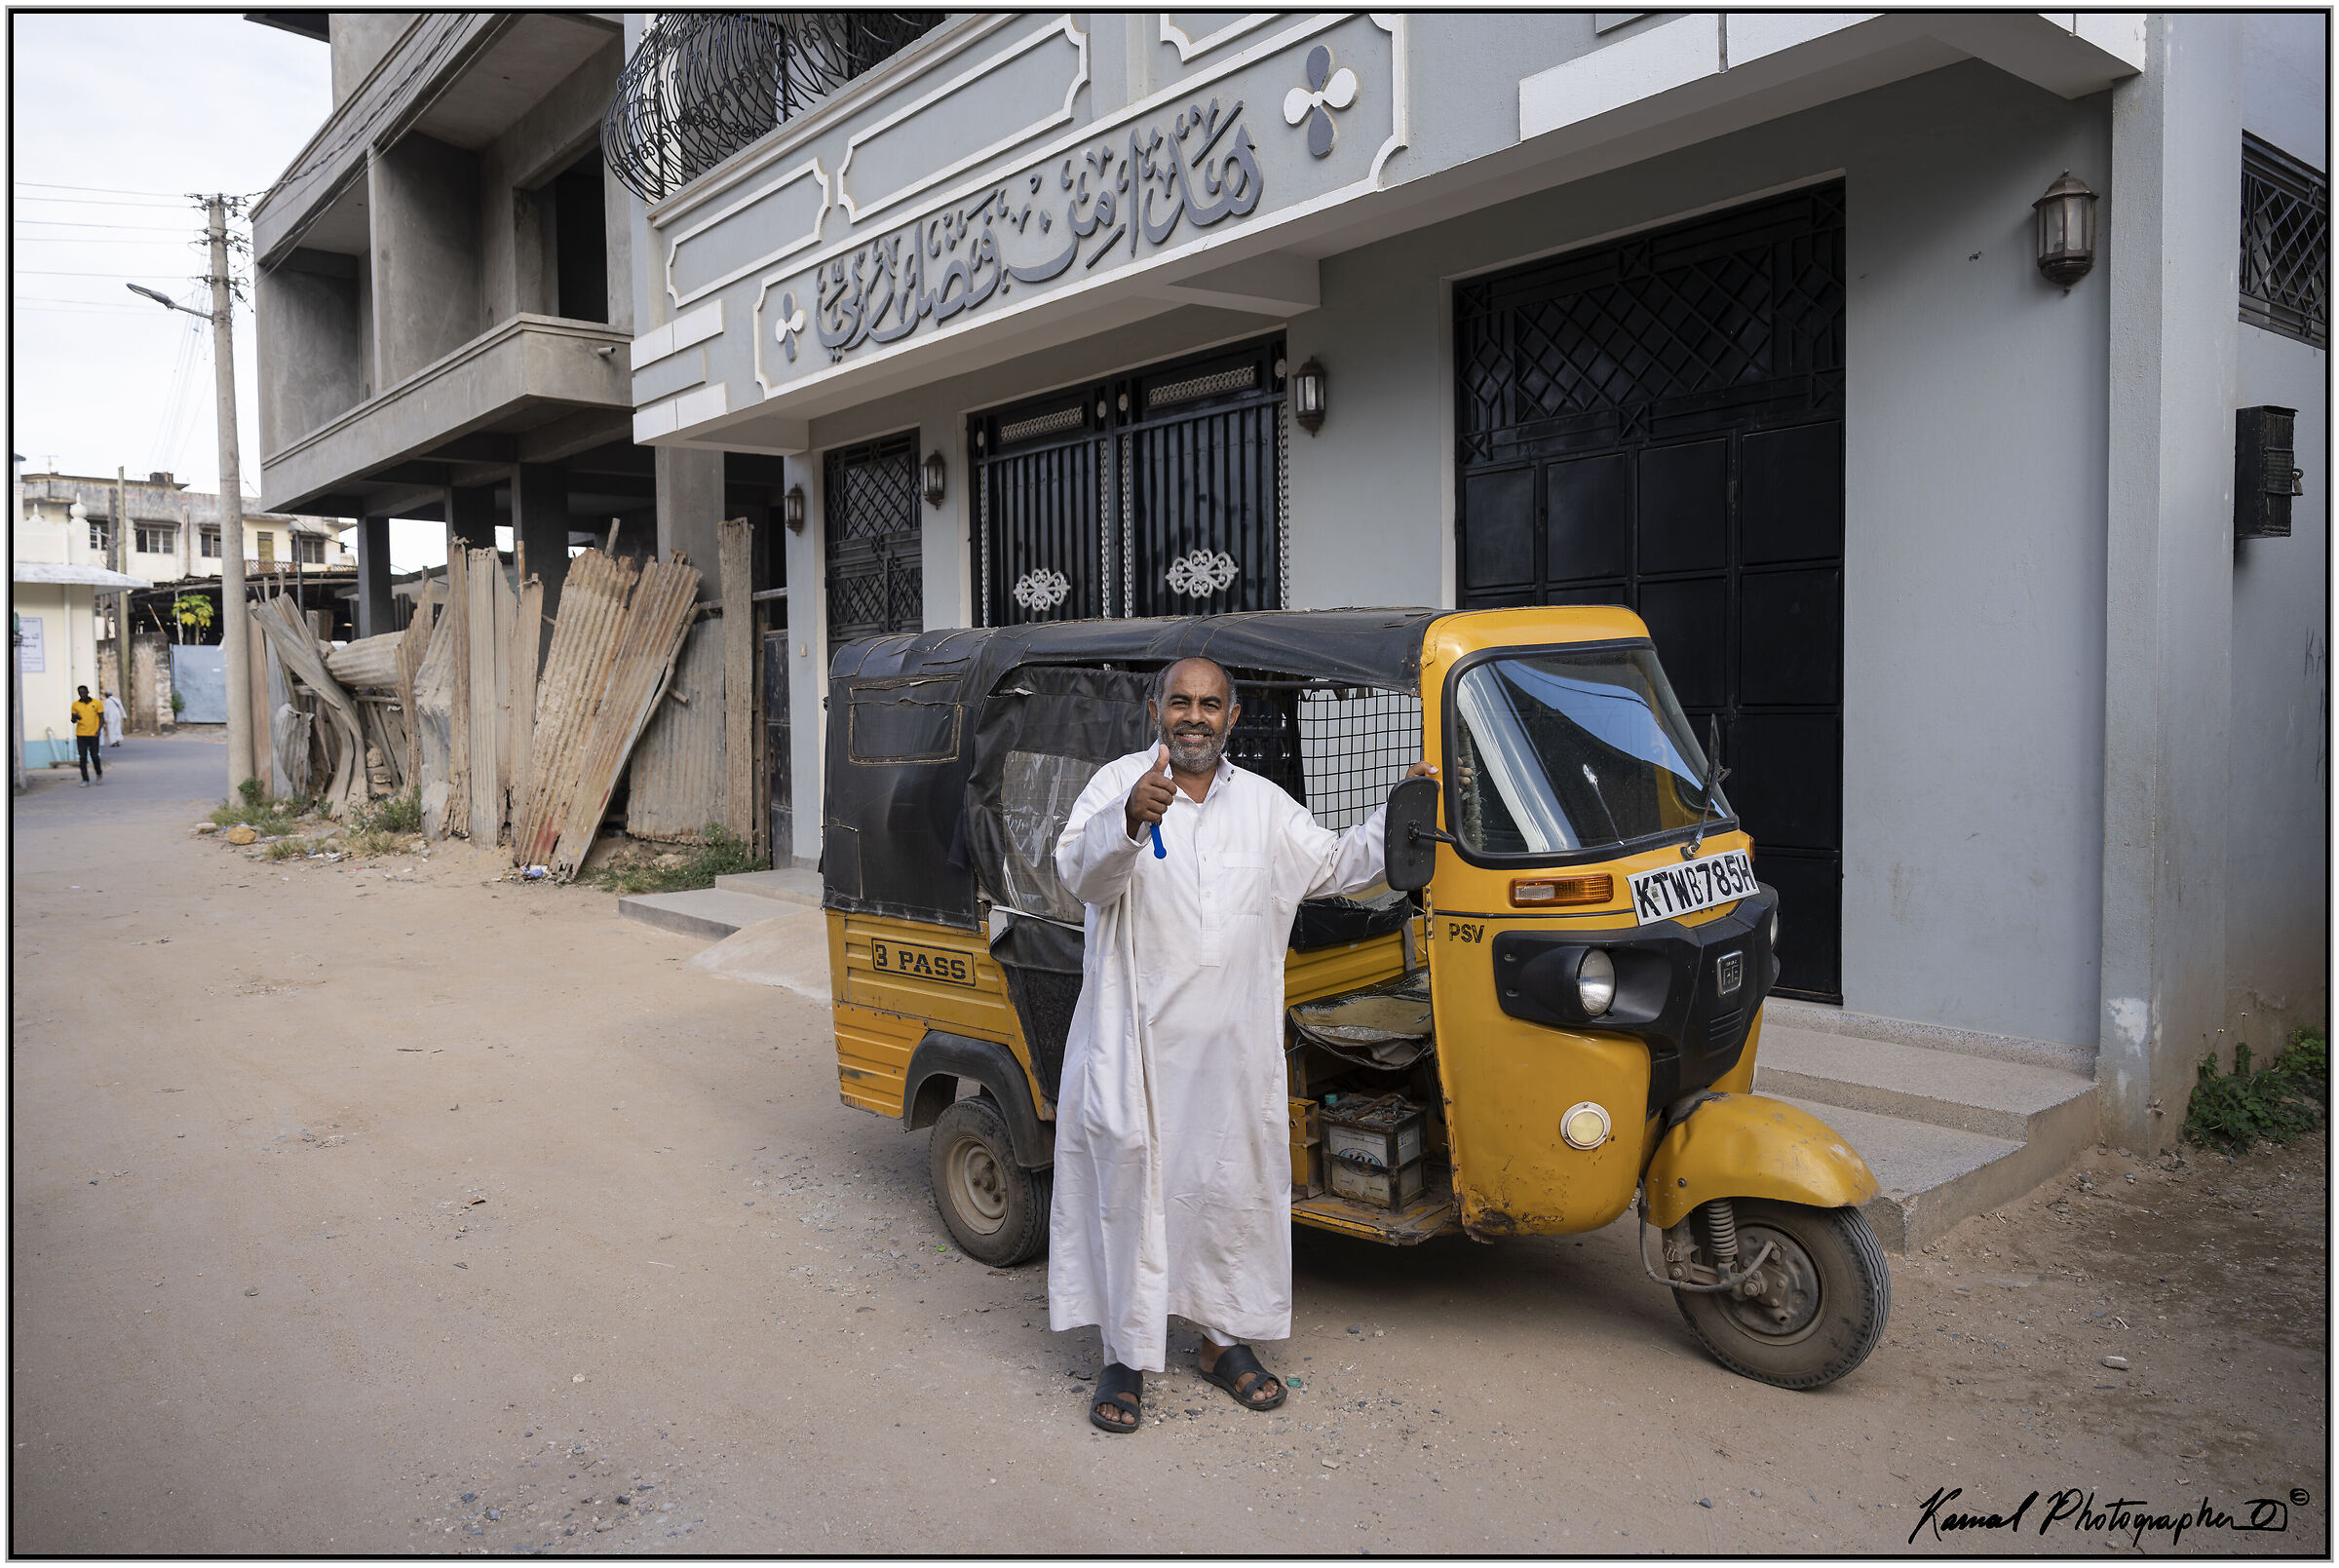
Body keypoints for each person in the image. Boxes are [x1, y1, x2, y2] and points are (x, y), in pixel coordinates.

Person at [1049, 655, 1433, 1433]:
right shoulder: (1118, 782)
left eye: (1210, 704)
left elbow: (1334, 864)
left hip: (1229, 1054)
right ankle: (1124, 1354)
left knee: (1225, 1190)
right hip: (1137, 1053)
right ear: (1157, 707)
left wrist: (1402, 808)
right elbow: (1076, 876)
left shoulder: (1262, 804)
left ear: (1233, 714)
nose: (1195, 716)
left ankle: (1223, 1341)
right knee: (1130, 1191)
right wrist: (1128, 820)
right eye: (1181, 701)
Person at [69, 685, 104, 786]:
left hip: (93, 734)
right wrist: (75, 718)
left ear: (88, 692)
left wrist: (98, 730)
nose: (82, 694)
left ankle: (98, 773)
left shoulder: (96, 703)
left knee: (94, 756)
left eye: (84, 692)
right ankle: (85, 779)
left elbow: (101, 718)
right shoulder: (75, 705)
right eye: (80, 693)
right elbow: (72, 720)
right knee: (82, 757)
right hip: (81, 734)